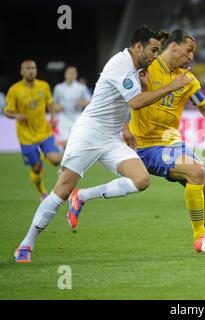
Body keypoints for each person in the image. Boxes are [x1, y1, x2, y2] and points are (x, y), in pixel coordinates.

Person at [14, 26, 192, 263]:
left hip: (110, 137)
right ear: (138, 46)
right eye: (153, 50)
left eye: (158, 50)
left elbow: (116, 102)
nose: (155, 55)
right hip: (88, 132)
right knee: (62, 189)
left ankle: (83, 196)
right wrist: (171, 86)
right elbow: (136, 102)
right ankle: (26, 244)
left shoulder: (137, 67)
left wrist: (125, 128)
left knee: (141, 180)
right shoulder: (121, 65)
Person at [85, 29, 205, 255]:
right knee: (194, 172)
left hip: (173, 143)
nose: (191, 57)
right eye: (189, 50)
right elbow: (118, 97)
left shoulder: (187, 79)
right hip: (146, 146)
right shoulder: (145, 69)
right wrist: (124, 127)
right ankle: (200, 238)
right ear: (173, 46)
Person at [4, 60, 62, 201]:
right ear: (22, 71)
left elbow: (50, 103)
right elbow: (7, 111)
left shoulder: (43, 86)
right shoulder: (14, 90)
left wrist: (53, 117)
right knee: (36, 168)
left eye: (33, 68)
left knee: (56, 160)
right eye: (28, 68)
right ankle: (42, 191)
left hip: (44, 131)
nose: (31, 70)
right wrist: (17, 115)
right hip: (26, 136)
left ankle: (43, 156)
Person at [53, 66, 91, 148]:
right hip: (63, 117)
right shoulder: (58, 88)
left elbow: (89, 101)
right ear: (65, 75)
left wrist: (82, 102)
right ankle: (67, 158)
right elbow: (53, 103)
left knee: (77, 141)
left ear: (76, 75)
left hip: (77, 116)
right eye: (69, 73)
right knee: (65, 142)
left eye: (73, 73)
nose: (71, 75)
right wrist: (57, 107)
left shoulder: (81, 87)